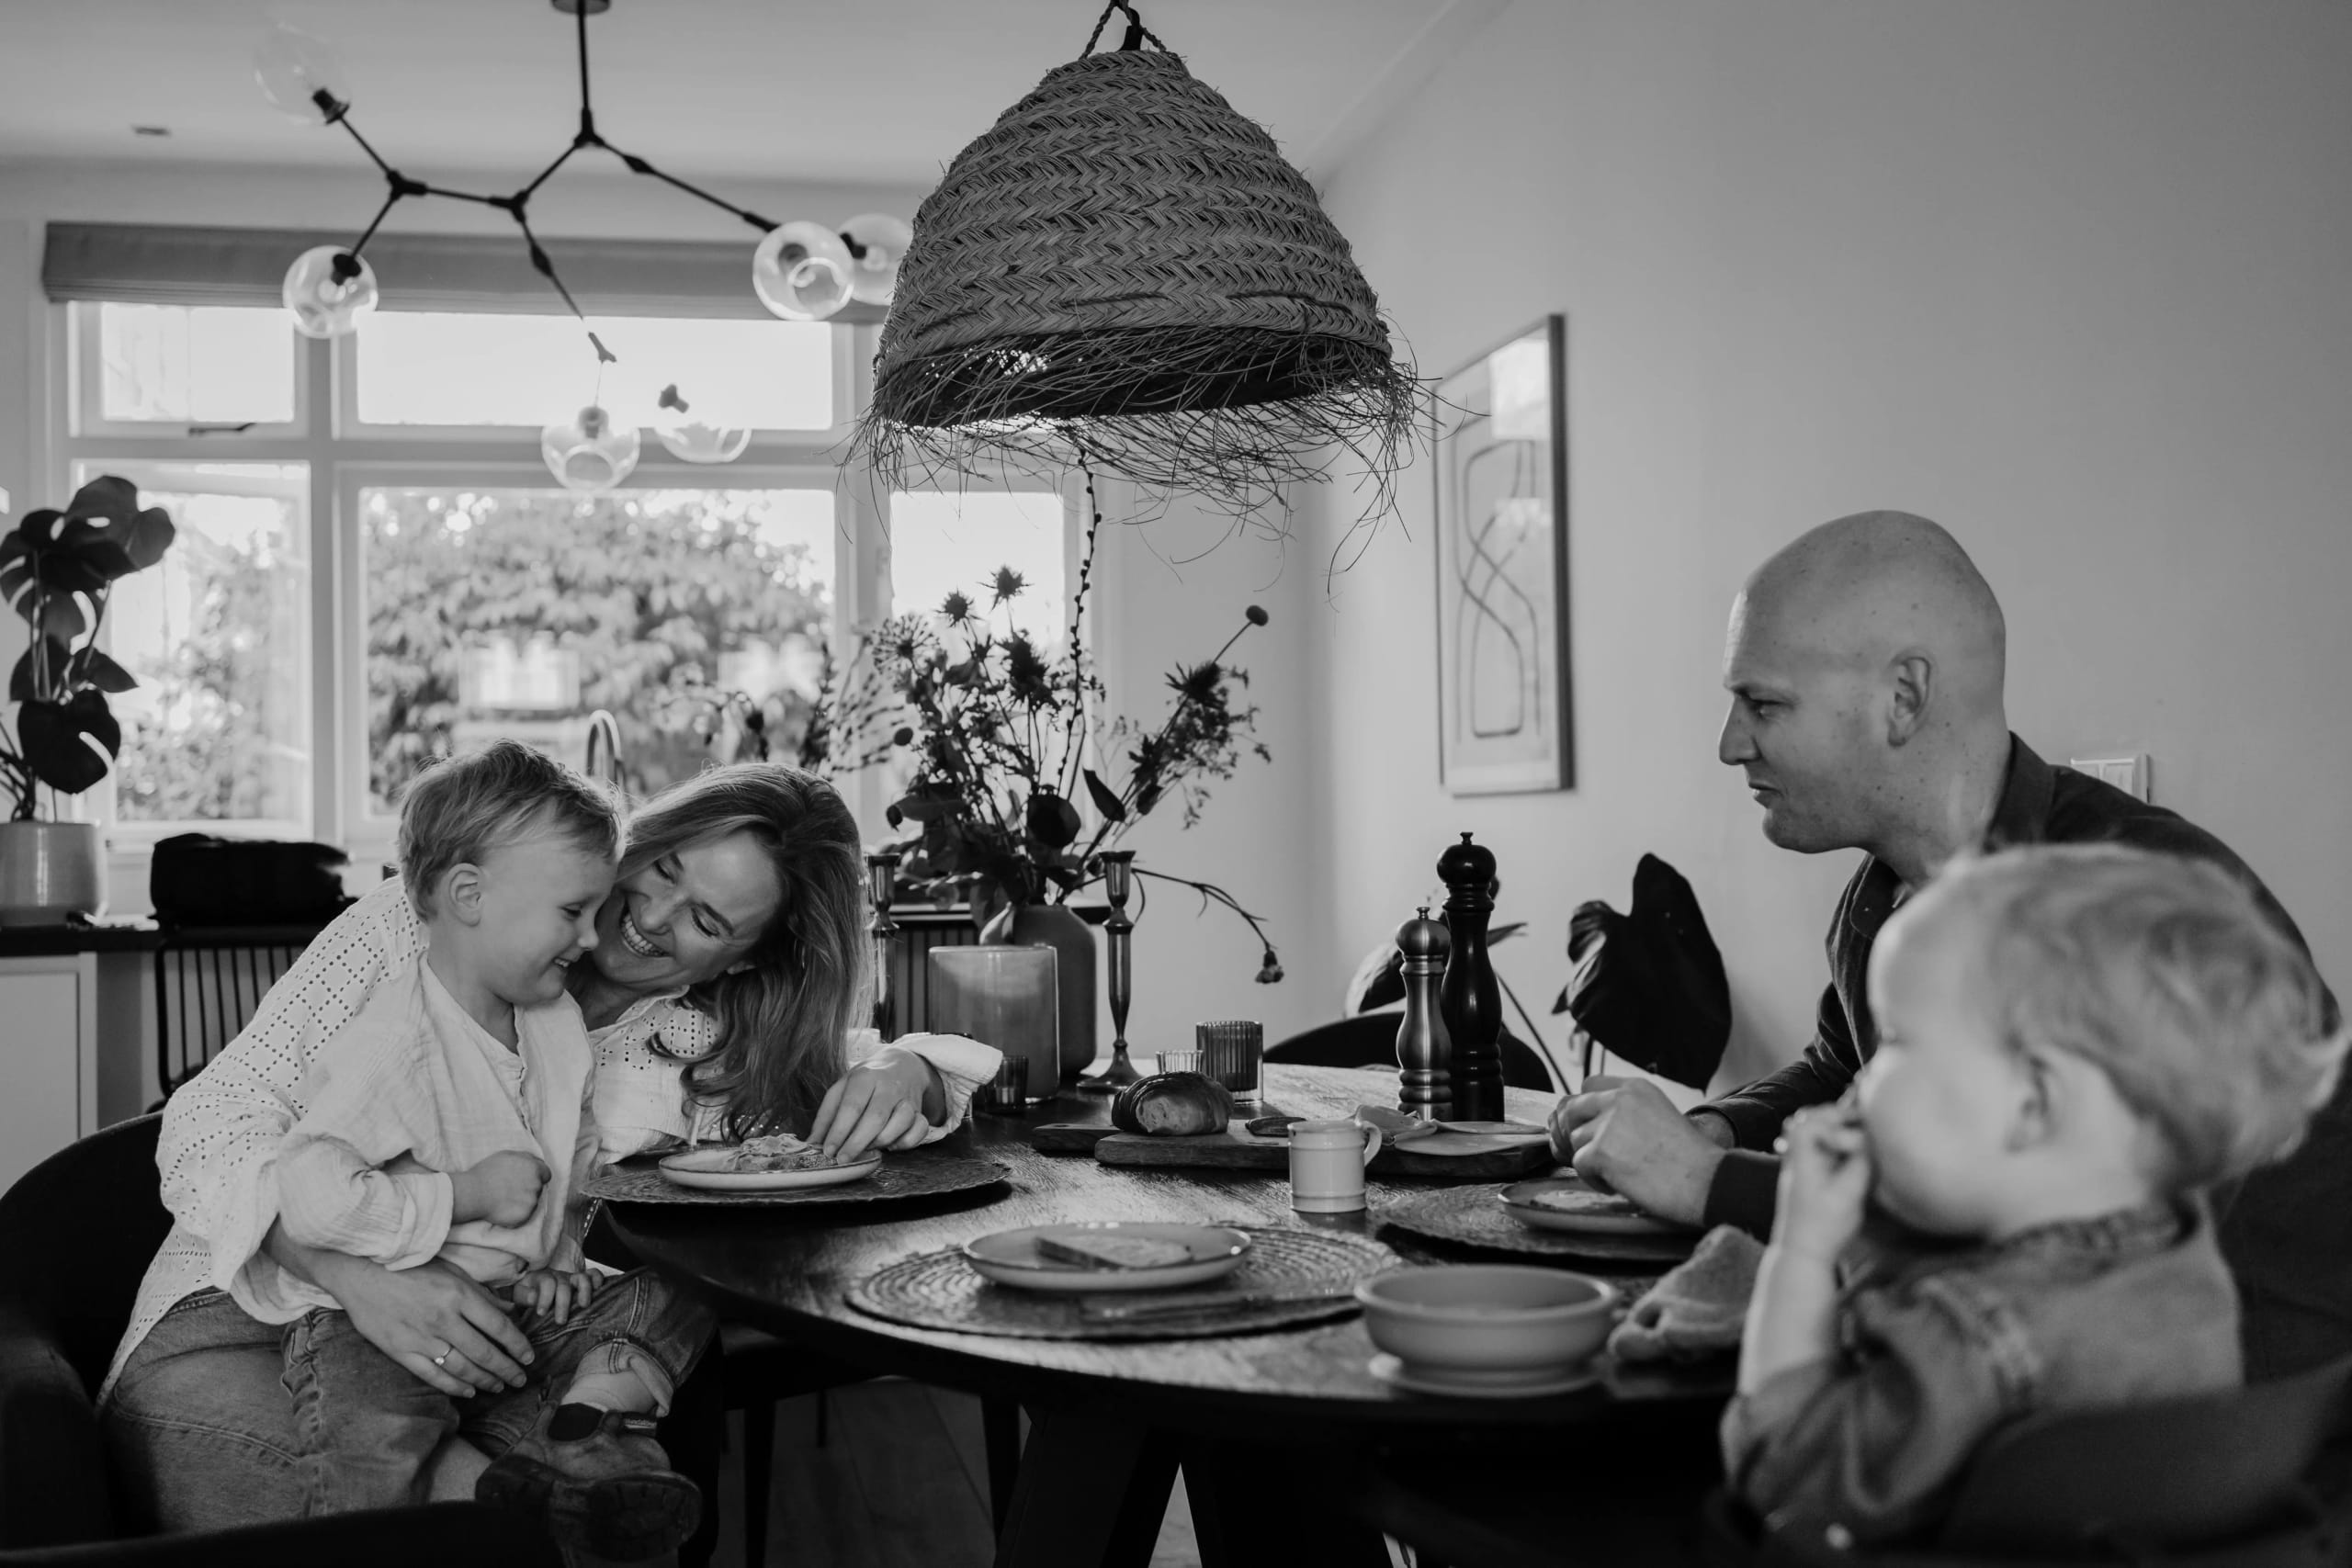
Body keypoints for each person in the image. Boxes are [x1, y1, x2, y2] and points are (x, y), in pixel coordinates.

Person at [102, 760, 1001, 1532]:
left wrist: (908, 1068)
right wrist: (362, 1277)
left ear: (743, 964)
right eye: (663, 866)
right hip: (242, 1318)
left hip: (483, 1355)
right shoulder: (429, 926)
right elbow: (211, 1122)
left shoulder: (701, 1053)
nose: (646, 914)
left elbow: (870, 1084)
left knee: (593, 1504)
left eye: (706, 921)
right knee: (505, 1533)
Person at [1549, 510, 2349, 1376]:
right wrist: (1710, 1127)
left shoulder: (2141, 899)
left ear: (1904, 699)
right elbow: (1839, 1065)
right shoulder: (1882, 892)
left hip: (2217, 1433)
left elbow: (2066, 1236)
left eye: (1764, 703)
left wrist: (1711, 1185)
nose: (1729, 743)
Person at [1727, 844, 2344, 1548]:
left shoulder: (1976, 1336)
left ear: (2032, 1106)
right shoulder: (2183, 1252)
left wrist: (1802, 1247)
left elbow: (1779, 1470)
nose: (1862, 1081)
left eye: (1896, 1039)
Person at [245, 740, 711, 1556]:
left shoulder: (554, 1021)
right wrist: (463, 1195)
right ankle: (564, 1483)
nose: (595, 935)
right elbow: (310, 1192)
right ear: (469, 895)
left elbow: (576, 1151)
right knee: (372, 1453)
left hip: (513, 1301)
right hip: (378, 1320)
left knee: (677, 1295)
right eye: (573, 911)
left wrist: (562, 1251)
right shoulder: (396, 1039)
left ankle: (578, 1438)